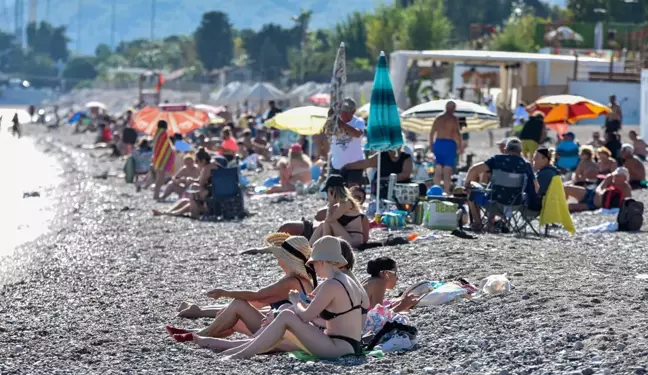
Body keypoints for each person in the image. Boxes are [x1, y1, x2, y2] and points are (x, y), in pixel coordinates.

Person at [206, 236, 368, 360]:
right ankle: (236, 350)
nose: (313, 268)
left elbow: (305, 316)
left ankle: (238, 354)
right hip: (350, 346)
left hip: (336, 347)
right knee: (285, 314)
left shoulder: (331, 284)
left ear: (323, 261)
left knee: (285, 316)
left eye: (314, 264)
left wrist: (295, 302)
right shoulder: (348, 281)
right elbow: (315, 305)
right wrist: (296, 304)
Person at [167, 236, 315, 341]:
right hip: (288, 330)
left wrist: (224, 293)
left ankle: (198, 335)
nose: (278, 260)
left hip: (284, 334)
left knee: (238, 305)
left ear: (287, 260)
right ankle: (195, 333)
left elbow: (258, 295)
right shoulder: (303, 280)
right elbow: (261, 301)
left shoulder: (291, 281)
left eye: (280, 257)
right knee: (233, 317)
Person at [464, 138, 538, 230]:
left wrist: (466, 185)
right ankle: (492, 223)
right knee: (495, 192)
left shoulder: (497, 160)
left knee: (472, 191)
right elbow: (536, 187)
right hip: (515, 205)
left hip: (494, 204)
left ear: (505, 150)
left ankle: (478, 223)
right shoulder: (526, 165)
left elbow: (474, 169)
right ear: (520, 152)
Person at [272, 186, 368, 244]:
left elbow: (363, 240)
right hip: (312, 229)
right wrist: (334, 205)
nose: (355, 199)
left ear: (363, 201)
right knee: (286, 227)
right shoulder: (338, 205)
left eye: (358, 198)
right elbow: (318, 216)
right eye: (353, 196)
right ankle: (270, 246)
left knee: (289, 242)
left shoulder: (361, 217)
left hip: (324, 238)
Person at [152, 149, 226, 218]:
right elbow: (202, 180)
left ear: (203, 160)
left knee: (193, 187)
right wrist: (192, 180)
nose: (196, 163)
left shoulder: (206, 168)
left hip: (212, 197)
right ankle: (167, 212)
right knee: (184, 201)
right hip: (219, 194)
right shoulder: (214, 164)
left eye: (196, 161)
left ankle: (192, 214)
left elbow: (200, 185)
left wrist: (191, 181)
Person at [309, 175, 367, 248]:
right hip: (347, 237)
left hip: (353, 241)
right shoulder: (341, 203)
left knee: (328, 222)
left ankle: (322, 247)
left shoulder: (346, 203)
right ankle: (311, 248)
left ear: (334, 191)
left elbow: (330, 219)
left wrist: (331, 203)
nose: (327, 194)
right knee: (323, 224)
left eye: (328, 192)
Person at [343, 147, 415, 199]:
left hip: (401, 193)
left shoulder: (406, 157)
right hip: (381, 192)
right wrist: (347, 166)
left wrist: (383, 179)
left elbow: (405, 175)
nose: (393, 148)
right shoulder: (381, 156)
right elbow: (366, 163)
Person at [329, 98, 366, 187]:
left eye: (347, 112)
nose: (344, 114)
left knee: (353, 192)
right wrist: (332, 117)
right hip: (337, 165)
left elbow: (357, 133)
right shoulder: (334, 122)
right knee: (336, 193)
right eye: (343, 111)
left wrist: (341, 123)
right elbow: (328, 132)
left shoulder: (358, 121)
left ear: (353, 112)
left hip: (355, 165)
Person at [564, 167, 632, 212]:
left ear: (625, 178)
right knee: (566, 188)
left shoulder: (626, 189)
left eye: (618, 176)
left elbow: (625, 204)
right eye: (615, 175)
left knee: (569, 207)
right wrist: (603, 187)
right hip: (591, 193)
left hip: (594, 204)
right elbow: (599, 188)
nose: (615, 177)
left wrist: (600, 194)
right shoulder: (610, 180)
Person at [430, 101, 462, 194]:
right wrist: (460, 146)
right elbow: (457, 133)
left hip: (439, 143)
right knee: (447, 171)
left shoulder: (438, 118)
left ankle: (436, 192)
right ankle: (446, 192)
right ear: (453, 108)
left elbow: (432, 133)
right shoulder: (453, 119)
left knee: (438, 168)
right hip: (449, 144)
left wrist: (431, 145)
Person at [148, 120, 175, 201]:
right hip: (162, 158)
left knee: (159, 177)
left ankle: (156, 195)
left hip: (157, 157)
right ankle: (156, 195)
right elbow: (166, 146)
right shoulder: (163, 134)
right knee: (160, 178)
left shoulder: (157, 133)